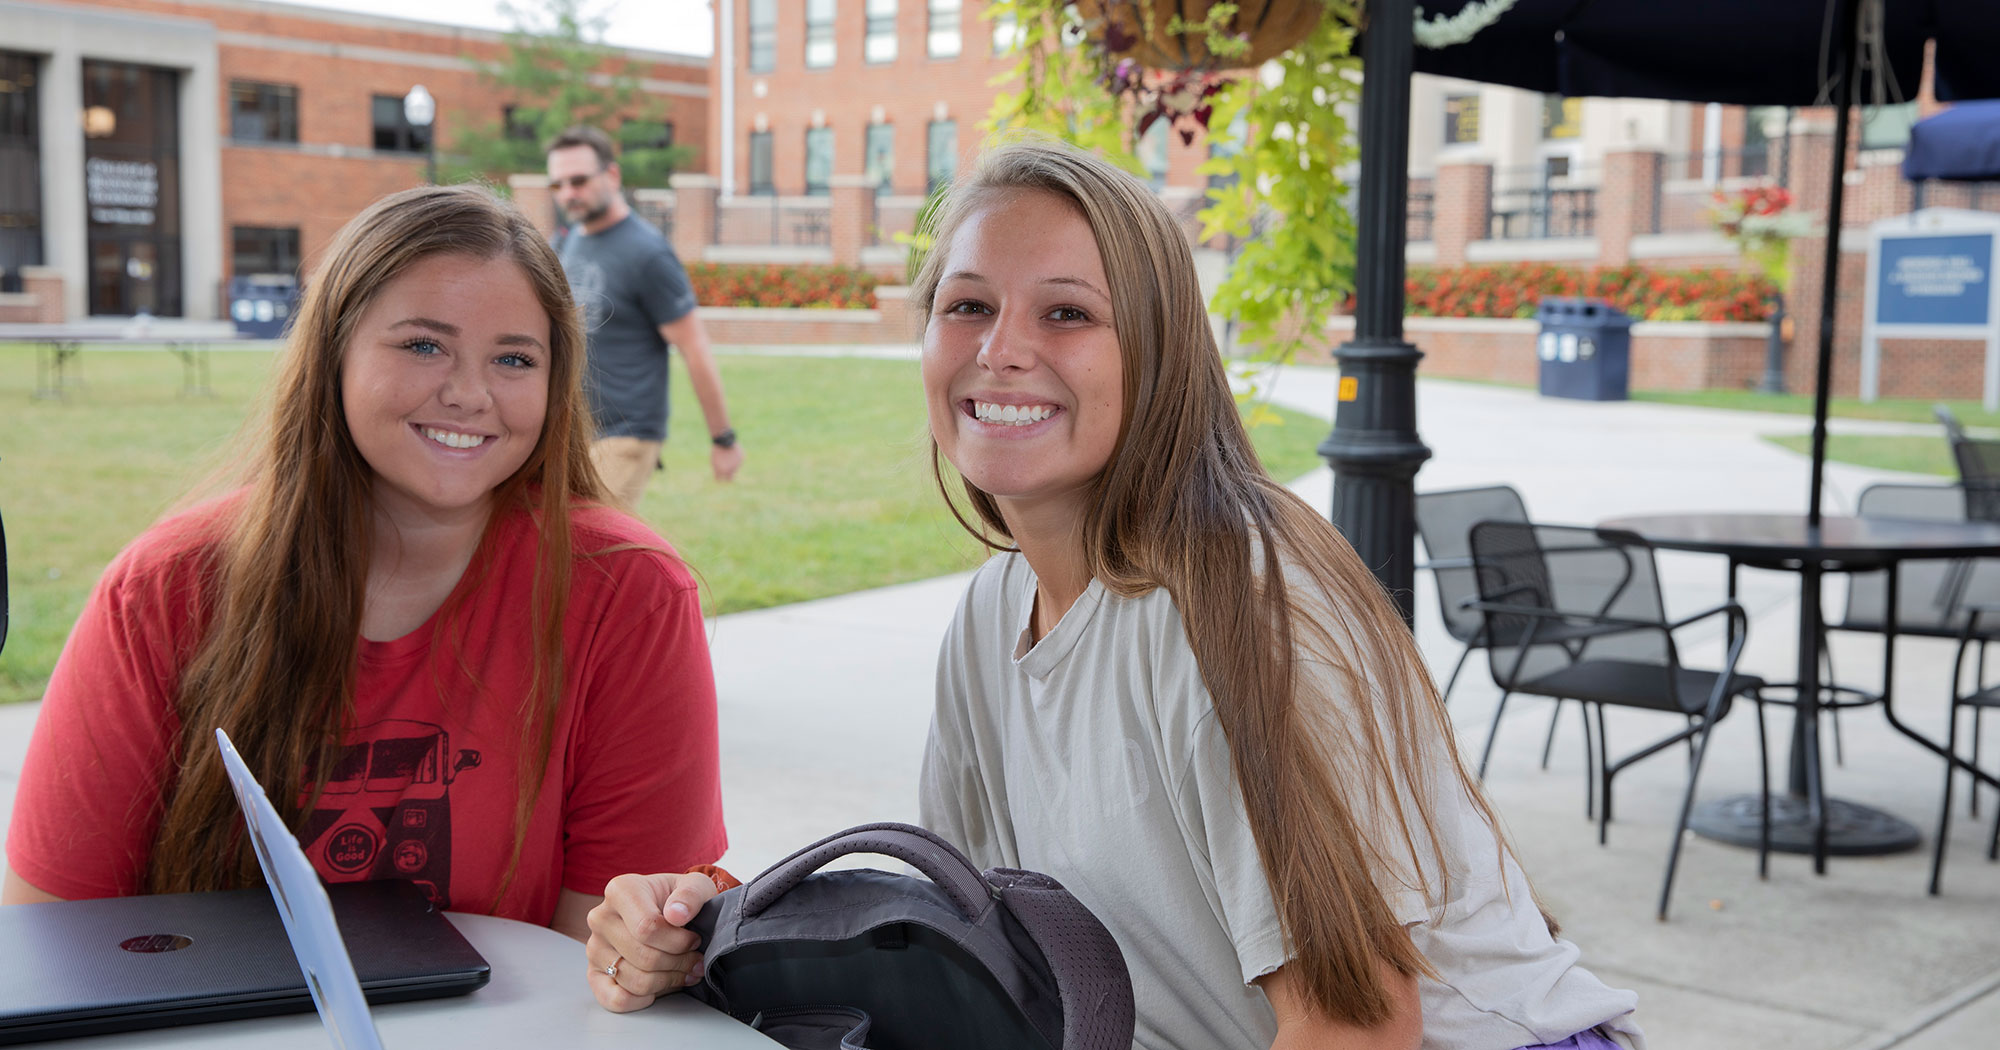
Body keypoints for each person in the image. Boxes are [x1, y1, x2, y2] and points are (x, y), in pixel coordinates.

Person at [586, 140, 1646, 1049]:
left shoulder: (1237, 600)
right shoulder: (993, 613)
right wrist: (703, 929)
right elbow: (974, 955)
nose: (1002, 352)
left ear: (1161, 354)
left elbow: (1357, 1024)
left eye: (1067, 313)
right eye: (966, 306)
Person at [2, 185, 729, 942]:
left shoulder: (629, 590)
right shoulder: (162, 591)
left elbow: (604, 957)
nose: (471, 393)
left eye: (514, 358)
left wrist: (646, 952)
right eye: (423, 344)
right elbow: (51, 945)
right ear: (333, 353)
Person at [546, 125, 743, 507]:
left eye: (579, 180)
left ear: (612, 175)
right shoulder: (567, 241)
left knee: (585, 548)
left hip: (624, 434)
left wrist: (723, 439)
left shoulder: (647, 253)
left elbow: (694, 348)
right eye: (559, 185)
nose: (569, 193)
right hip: (569, 432)